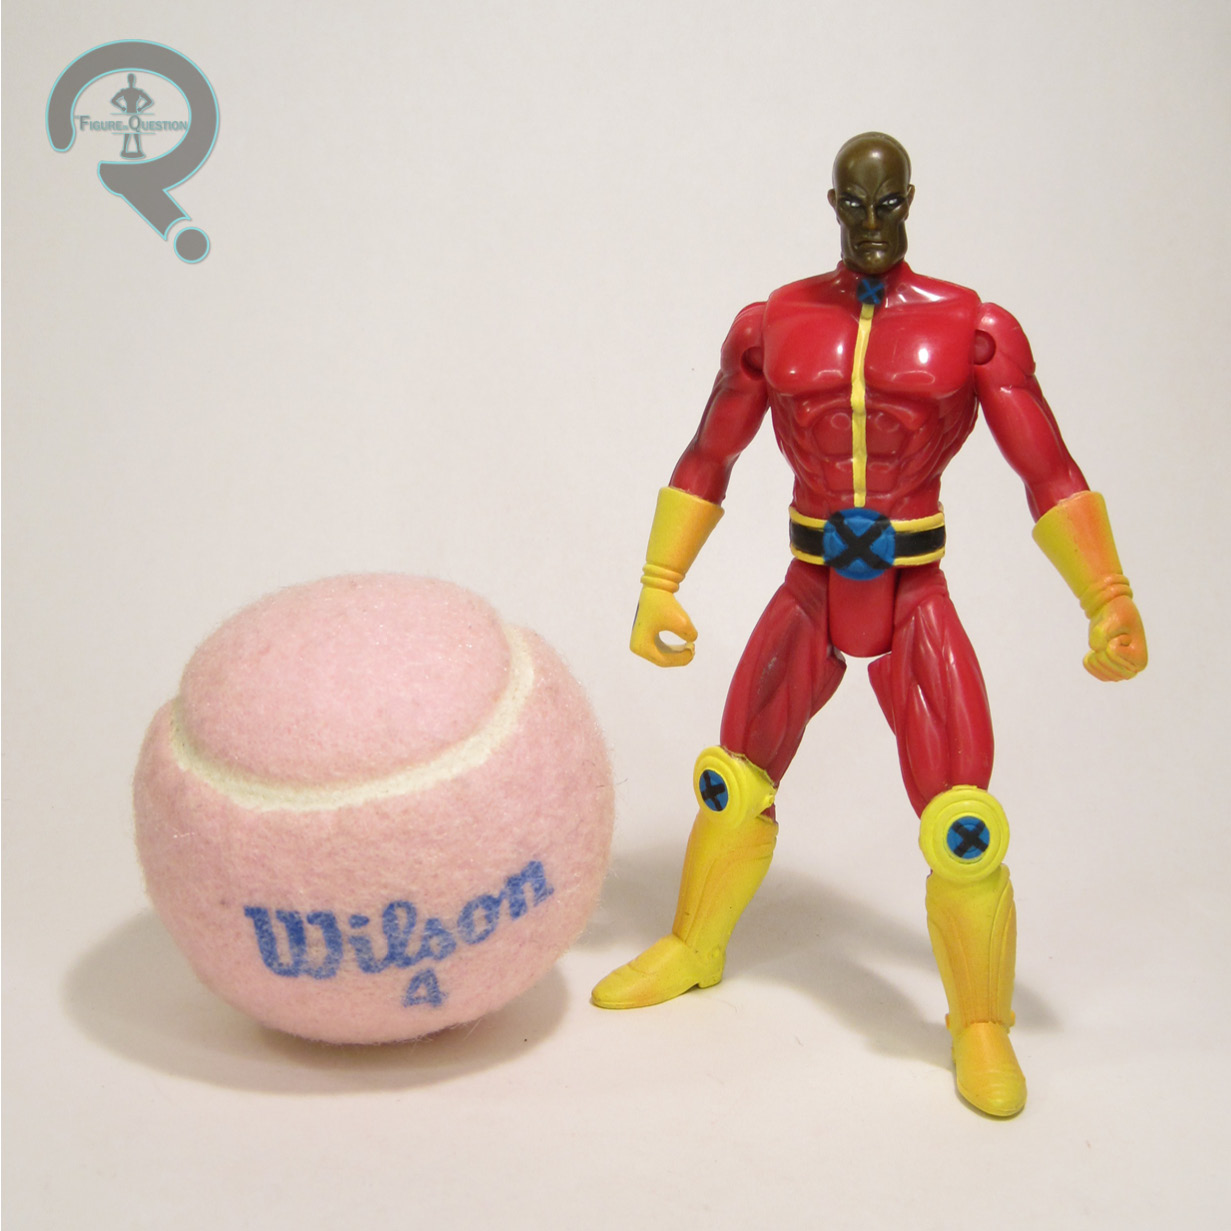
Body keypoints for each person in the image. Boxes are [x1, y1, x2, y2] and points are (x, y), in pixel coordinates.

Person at [591, 132, 1147, 1117]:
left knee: (962, 825)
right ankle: (692, 944)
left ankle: (979, 1024)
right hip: (811, 584)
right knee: (732, 780)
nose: (871, 222)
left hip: (911, 589)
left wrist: (1106, 595)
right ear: (833, 205)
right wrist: (658, 579)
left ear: (910, 201)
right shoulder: (770, 324)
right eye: (855, 204)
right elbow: (709, 452)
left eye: (887, 204)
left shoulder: (973, 328)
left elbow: (1046, 469)